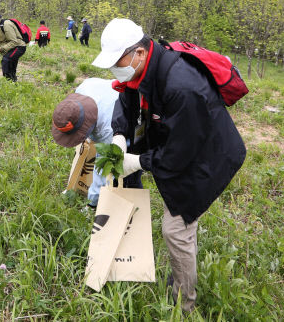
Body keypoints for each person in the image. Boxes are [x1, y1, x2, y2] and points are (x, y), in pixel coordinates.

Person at [92, 18, 246, 312]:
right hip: (181, 144)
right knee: (176, 214)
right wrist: (120, 136)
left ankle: (183, 303)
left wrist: (138, 161)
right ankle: (180, 284)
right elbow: (126, 101)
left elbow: (180, 154)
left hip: (209, 156)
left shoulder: (182, 86)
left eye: (117, 61)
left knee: (175, 229)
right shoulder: (142, 69)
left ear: (138, 52)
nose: (115, 70)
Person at [51, 78, 122, 208]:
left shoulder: (107, 128)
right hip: (112, 104)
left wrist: (92, 203)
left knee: (120, 170)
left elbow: (103, 169)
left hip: (135, 120)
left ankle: (115, 202)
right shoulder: (83, 89)